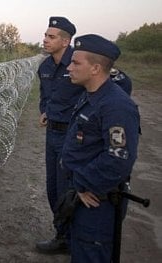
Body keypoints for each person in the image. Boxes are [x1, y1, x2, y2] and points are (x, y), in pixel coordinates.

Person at [62, 34, 140, 262]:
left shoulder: (116, 106)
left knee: (91, 252)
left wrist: (82, 183)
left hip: (98, 200)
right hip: (85, 192)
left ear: (95, 68)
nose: (69, 67)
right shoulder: (92, 96)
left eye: (76, 63)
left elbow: (119, 157)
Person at [36, 16, 84, 254]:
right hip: (52, 135)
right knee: (53, 188)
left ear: (66, 41)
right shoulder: (45, 66)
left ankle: (74, 238)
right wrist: (44, 110)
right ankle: (62, 235)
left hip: (73, 137)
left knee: (70, 189)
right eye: (45, 35)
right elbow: (44, 94)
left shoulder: (79, 62)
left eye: (51, 37)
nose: (45, 40)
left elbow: (109, 85)